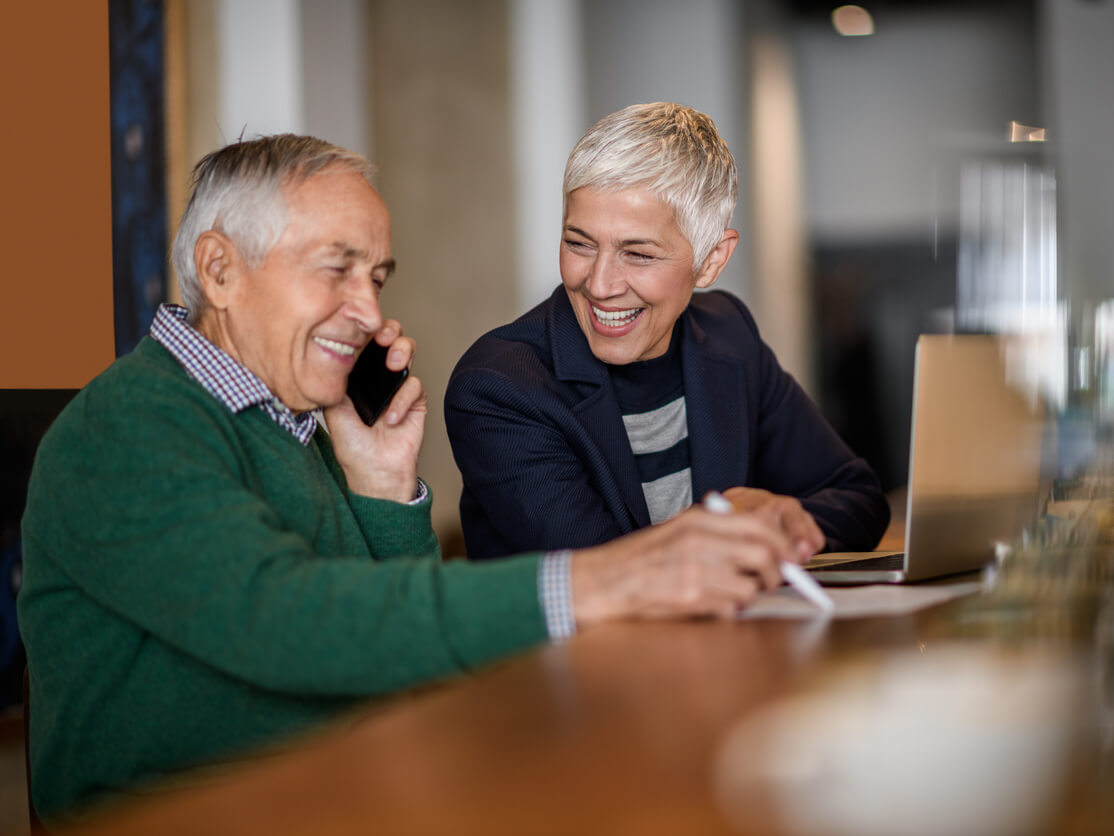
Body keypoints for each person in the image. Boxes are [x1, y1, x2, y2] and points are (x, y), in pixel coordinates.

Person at [17, 135, 803, 822]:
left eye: (378, 278)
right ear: (219, 269)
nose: (367, 310)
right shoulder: (129, 427)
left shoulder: (300, 422)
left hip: (347, 792)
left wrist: (384, 491)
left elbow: (396, 662)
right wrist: (606, 581)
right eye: (338, 270)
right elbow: (290, 623)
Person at [446, 102, 890, 560]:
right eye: (579, 243)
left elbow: (856, 499)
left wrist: (769, 520)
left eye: (637, 254)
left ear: (712, 260)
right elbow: (600, 575)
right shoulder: (500, 386)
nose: (599, 284)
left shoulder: (730, 337)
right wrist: (730, 529)